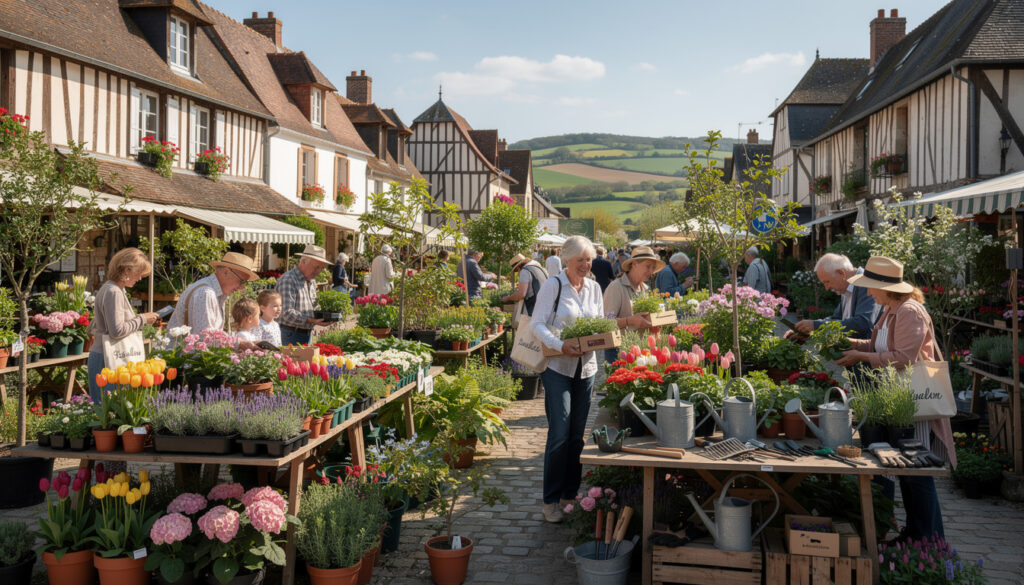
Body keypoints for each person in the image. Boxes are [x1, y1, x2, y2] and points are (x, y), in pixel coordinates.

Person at [531, 236, 653, 524]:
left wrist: (633, 320)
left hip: (586, 370)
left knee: (576, 437)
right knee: (559, 433)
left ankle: (568, 495)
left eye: (588, 259)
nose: (586, 265)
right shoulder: (554, 285)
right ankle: (550, 500)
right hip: (558, 367)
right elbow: (537, 323)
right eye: (580, 260)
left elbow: (601, 321)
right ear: (567, 261)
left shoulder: (594, 288)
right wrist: (560, 344)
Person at [836, 256, 954, 540]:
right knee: (906, 472)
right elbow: (877, 344)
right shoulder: (890, 308)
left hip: (913, 403)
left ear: (884, 287)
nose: (868, 292)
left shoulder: (909, 311)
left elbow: (904, 358)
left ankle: (929, 539)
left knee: (917, 471)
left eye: (870, 286)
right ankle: (915, 535)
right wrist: (849, 343)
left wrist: (861, 356)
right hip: (896, 400)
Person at [88, 248, 159, 403]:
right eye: (139, 273)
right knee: (110, 414)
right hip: (107, 359)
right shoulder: (113, 292)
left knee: (107, 414)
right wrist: (142, 319)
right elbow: (116, 330)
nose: (140, 278)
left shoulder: (111, 288)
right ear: (127, 269)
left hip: (104, 355)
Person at [786, 253, 879, 339]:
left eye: (827, 282)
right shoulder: (847, 286)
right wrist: (807, 330)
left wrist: (816, 326)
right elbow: (837, 318)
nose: (826, 288)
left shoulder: (865, 284)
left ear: (841, 273)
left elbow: (863, 323)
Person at [168, 252, 258, 334]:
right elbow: (205, 338)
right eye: (242, 281)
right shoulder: (206, 293)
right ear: (225, 272)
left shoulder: (216, 293)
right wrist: (239, 343)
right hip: (182, 352)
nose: (242, 287)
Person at [603, 246, 661, 363]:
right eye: (647, 266)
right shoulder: (616, 287)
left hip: (640, 348)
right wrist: (631, 321)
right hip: (619, 350)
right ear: (634, 264)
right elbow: (606, 324)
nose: (651, 271)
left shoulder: (644, 289)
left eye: (653, 268)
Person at [276, 245, 331, 345]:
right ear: (303, 261)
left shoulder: (311, 281)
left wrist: (323, 316)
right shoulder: (288, 279)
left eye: (321, 268)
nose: (318, 271)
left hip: (306, 334)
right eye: (316, 267)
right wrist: (311, 320)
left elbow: (313, 305)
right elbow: (286, 313)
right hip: (289, 334)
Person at [501, 253, 547, 318]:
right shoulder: (539, 268)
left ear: (518, 266)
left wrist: (508, 298)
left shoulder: (525, 271)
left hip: (533, 309)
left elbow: (521, 294)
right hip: (545, 306)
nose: (517, 272)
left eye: (516, 270)